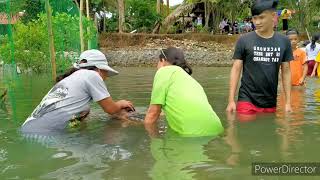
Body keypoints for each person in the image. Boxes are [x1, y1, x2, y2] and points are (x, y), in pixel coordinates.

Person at [21, 49, 134, 134]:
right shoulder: (92, 75)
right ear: (99, 69)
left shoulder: (70, 78)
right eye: (106, 73)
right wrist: (121, 103)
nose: (106, 77)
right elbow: (110, 109)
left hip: (29, 128)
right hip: (46, 132)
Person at [226, 0, 293, 116]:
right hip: (246, 100)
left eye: (261, 18)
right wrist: (231, 100)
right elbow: (236, 69)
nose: (257, 22)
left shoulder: (284, 41)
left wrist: (288, 103)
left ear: (273, 16)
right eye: (254, 18)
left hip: (270, 102)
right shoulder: (244, 40)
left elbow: (286, 71)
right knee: (245, 130)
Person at [144, 47, 224, 137]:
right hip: (216, 129)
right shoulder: (191, 80)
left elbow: (153, 114)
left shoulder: (163, 72)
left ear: (162, 61)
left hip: (190, 134)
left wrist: (151, 136)